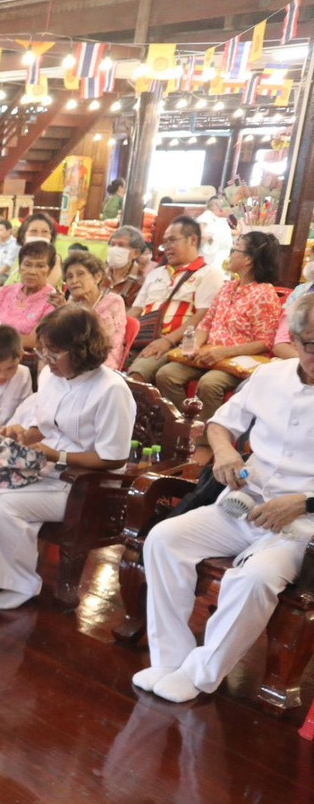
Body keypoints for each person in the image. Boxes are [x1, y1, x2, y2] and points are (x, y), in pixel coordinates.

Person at [135, 294, 314, 703]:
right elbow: (219, 424)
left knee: (253, 580)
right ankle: (169, 658)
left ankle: (202, 673)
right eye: (311, 345)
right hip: (244, 503)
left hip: (301, 523)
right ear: (297, 339)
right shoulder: (271, 376)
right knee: (165, 539)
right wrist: (227, 452)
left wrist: (303, 502)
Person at [0, 305, 137, 609]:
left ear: (82, 350)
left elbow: (113, 458)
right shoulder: (52, 377)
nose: (47, 361)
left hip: (87, 484)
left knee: (1, 503)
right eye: (44, 352)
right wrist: (22, 433)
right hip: (48, 469)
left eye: (54, 355)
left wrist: (58, 456)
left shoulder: (111, 390)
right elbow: (45, 427)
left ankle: (23, 583)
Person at [154, 230, 283, 417]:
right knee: (166, 375)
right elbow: (206, 324)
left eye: (234, 250)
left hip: (235, 360)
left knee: (210, 384)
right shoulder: (227, 287)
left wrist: (223, 353)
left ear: (248, 260)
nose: (230, 254)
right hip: (208, 353)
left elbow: (264, 342)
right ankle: (184, 425)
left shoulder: (264, 294)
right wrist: (196, 345)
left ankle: (209, 437)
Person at [127, 217, 226, 385]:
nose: (167, 248)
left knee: (138, 374)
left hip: (176, 343)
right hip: (141, 338)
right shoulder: (155, 274)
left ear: (193, 240)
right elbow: (135, 310)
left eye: (172, 240)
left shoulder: (209, 274)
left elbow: (202, 316)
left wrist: (168, 340)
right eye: (165, 242)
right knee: (105, 364)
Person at [0, 240, 58, 351]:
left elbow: (33, 341)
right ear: (20, 267)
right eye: (27, 264)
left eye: (40, 266)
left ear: (50, 270)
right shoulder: (7, 291)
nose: (32, 271)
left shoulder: (52, 300)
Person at [62, 249, 129, 368]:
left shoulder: (113, 301)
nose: (74, 281)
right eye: (69, 276)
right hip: (74, 360)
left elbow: (108, 342)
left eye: (80, 274)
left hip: (104, 361)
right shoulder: (71, 304)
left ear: (97, 277)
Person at [106, 225, 149, 309]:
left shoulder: (140, 282)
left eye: (121, 245)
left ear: (135, 253)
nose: (114, 249)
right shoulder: (99, 274)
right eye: (112, 244)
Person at [197, 195, 235, 268]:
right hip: (209, 264)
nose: (230, 209)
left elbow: (222, 232)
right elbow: (201, 235)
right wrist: (210, 237)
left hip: (221, 263)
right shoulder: (207, 216)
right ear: (219, 207)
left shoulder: (220, 219)